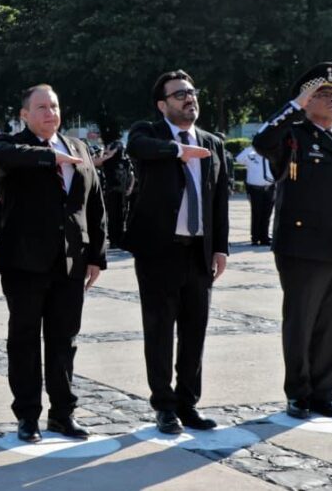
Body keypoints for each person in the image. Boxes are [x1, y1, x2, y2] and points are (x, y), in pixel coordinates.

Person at [253, 62, 332, 420]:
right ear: (306, 100)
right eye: (323, 94)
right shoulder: (293, 136)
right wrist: (294, 107)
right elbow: (262, 141)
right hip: (302, 246)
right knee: (301, 323)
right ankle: (299, 394)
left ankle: (323, 393)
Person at [0, 84, 107, 442]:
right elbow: (8, 159)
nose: (50, 113)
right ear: (24, 114)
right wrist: (49, 158)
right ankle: (27, 415)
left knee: (64, 340)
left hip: (71, 261)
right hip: (24, 262)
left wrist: (96, 255)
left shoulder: (78, 148)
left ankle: (62, 413)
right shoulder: (7, 145)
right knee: (24, 340)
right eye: (41, 107)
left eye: (54, 106)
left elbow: (95, 203)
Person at [123, 69, 229, 435]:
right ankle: (164, 405)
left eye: (192, 92)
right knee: (159, 330)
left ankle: (188, 403)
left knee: (195, 332)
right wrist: (179, 150)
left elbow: (220, 201)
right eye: (180, 94)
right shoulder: (148, 133)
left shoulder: (212, 143)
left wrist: (221, 249)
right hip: (159, 252)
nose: (189, 98)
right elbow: (137, 148)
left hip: (198, 252)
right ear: (162, 104)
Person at [93, 139, 132, 249]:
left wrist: (129, 187)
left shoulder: (125, 161)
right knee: (113, 216)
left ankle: (120, 239)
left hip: (123, 192)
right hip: (112, 191)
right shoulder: (108, 161)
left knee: (122, 216)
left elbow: (130, 174)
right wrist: (109, 155)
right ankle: (114, 240)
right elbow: (95, 162)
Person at [235, 145, 276, 246]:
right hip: (255, 189)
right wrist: (251, 148)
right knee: (256, 213)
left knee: (267, 214)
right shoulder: (250, 156)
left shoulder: (271, 155)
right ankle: (255, 237)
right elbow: (238, 159)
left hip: (269, 188)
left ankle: (264, 237)